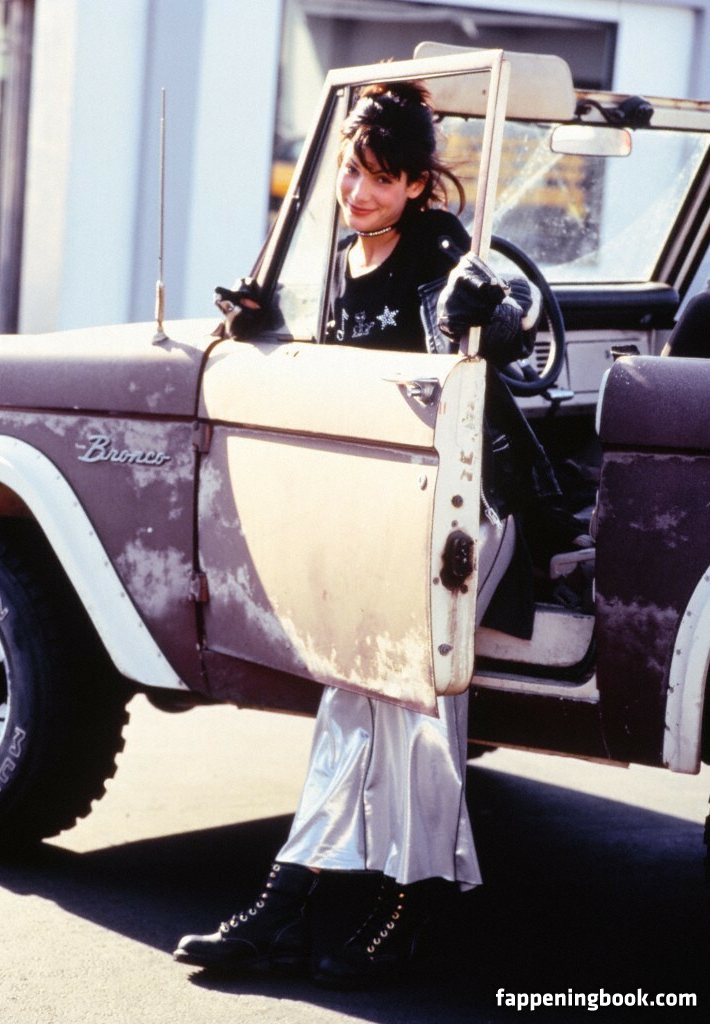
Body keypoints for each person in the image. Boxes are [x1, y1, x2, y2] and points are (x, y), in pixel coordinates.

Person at [174, 80, 545, 989]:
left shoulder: (445, 247)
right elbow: (344, 374)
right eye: (351, 171)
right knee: (361, 688)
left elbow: (500, 337)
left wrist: (481, 316)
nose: (359, 192)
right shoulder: (341, 256)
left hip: (465, 506)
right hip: (383, 508)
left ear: (418, 184)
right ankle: (332, 902)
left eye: (382, 178)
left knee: (406, 695)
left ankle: (363, 904)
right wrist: (269, 332)